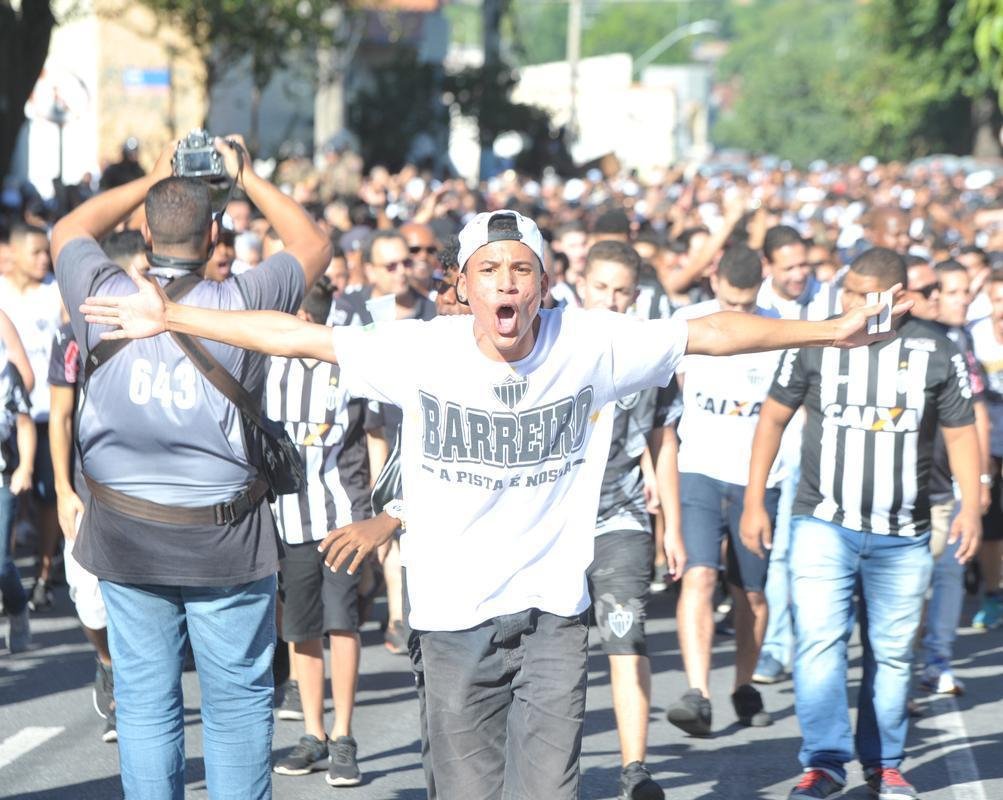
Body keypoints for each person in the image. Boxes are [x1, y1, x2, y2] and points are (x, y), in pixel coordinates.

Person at [81, 208, 903, 800]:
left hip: (551, 614)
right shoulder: (422, 351)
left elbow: (708, 331)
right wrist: (171, 317)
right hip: (450, 621)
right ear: (463, 286)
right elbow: (298, 337)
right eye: (489, 270)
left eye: (522, 270)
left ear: (545, 285)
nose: (506, 285)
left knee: (546, 790)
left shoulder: (589, 342)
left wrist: (830, 331)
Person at [52, 136, 330, 800]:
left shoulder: (99, 293)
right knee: (236, 711)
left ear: (144, 231)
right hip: (224, 540)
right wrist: (249, 178)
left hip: (124, 532)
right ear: (213, 234)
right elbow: (313, 242)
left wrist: (149, 179)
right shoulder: (245, 299)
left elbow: (70, 227)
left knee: (146, 707)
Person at [741, 247, 982, 800]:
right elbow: (772, 418)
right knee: (820, 642)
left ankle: (886, 765)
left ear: (898, 299)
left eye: (859, 294)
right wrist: (756, 499)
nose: (846, 302)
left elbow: (962, 432)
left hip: (905, 534)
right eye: (845, 291)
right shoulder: (817, 341)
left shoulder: (935, 350)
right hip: (823, 523)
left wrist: (972, 503)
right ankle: (824, 762)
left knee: (893, 654)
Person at [667, 244, 785, 736]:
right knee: (699, 578)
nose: (738, 316)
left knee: (751, 595)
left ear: (762, 286)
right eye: (730, 305)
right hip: (697, 469)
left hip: (758, 482)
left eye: (747, 305)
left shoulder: (781, 328)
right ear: (713, 281)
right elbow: (663, 404)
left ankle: (742, 685)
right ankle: (698, 693)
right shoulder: (686, 322)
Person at [580, 240, 683, 800]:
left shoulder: (653, 355)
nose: (611, 300)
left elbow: (665, 441)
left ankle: (634, 770)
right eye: (602, 288)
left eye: (622, 291)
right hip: (551, 525)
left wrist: (672, 529)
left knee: (626, 635)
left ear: (636, 295)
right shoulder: (546, 340)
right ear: (580, 284)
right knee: (559, 652)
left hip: (620, 517)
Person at [268, 279, 375, 786]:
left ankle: (345, 733)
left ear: (306, 321)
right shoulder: (270, 369)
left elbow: (373, 438)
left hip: (341, 520)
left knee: (342, 622)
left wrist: (375, 515)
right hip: (289, 520)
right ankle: (312, 733)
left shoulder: (349, 369)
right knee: (301, 628)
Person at [48, 229, 147, 743]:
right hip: (88, 492)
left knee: (139, 599)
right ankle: (106, 661)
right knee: (89, 600)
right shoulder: (72, 336)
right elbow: (60, 416)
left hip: (142, 494)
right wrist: (64, 489)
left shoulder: (162, 325)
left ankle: (135, 700)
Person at [752, 225, 839, 686]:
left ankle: (779, 648)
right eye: (788, 267)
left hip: (810, 452)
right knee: (761, 552)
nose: (799, 274)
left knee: (790, 552)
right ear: (768, 267)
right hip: (758, 447)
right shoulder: (756, 306)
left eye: (804, 264)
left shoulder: (829, 301)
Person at [0, 225, 63, 611]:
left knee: (45, 494)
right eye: (36, 252)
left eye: (47, 252)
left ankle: (43, 573)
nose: (44, 259)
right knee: (10, 499)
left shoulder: (55, 292)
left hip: (49, 412)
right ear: (16, 253)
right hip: (12, 417)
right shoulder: (1, 291)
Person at [967, 268, 1003, 630]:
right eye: (997, 300)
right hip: (988, 447)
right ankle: (993, 594)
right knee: (990, 528)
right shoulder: (975, 336)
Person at [0, 341, 35, 653]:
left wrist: (24, 467)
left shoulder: (7, 372)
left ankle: (18, 609)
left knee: (0, 563)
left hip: (2, 480)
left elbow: (24, 423)